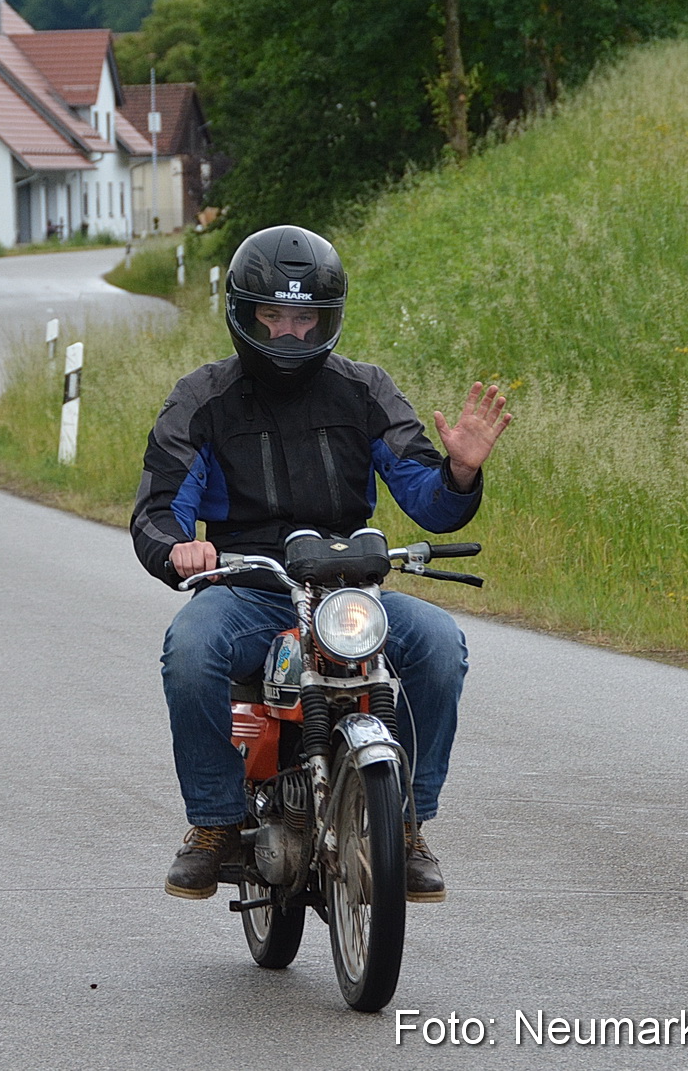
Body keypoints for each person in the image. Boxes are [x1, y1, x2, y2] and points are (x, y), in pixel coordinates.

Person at [130, 224, 512, 903]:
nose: (289, 333)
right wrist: (179, 547)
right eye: (273, 316)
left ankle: (407, 822)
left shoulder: (366, 390)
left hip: (347, 586)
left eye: (305, 318)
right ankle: (214, 822)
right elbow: (159, 507)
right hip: (250, 586)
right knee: (188, 647)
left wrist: (458, 471)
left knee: (439, 643)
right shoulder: (201, 398)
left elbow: (428, 497)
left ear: (328, 318)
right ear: (244, 313)